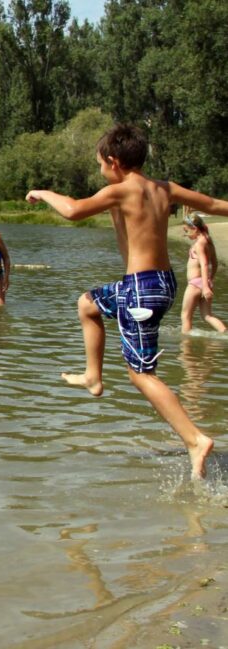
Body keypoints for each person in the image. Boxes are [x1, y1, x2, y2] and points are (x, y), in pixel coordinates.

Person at [26, 122, 228, 479]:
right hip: (163, 283)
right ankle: (93, 376)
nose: (100, 171)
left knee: (141, 375)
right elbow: (212, 204)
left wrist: (43, 193)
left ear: (113, 161)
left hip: (140, 288)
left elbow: (72, 210)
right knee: (87, 304)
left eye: (99, 164)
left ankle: (195, 440)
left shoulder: (120, 190)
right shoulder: (163, 188)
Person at [180, 212, 226, 334]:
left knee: (185, 316)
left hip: (195, 284)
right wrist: (209, 280)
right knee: (207, 316)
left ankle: (186, 346)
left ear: (194, 228)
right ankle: (224, 333)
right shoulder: (208, 241)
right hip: (205, 282)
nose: (185, 234)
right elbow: (215, 263)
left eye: (186, 230)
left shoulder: (199, 244)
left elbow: (205, 264)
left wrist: (205, 287)